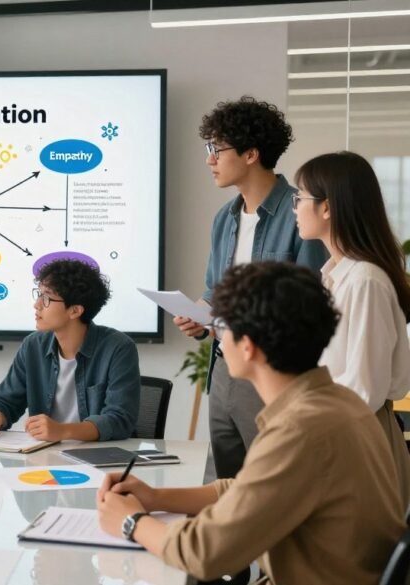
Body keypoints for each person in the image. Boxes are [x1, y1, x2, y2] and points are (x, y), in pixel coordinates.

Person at [97, 262, 403, 584]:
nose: (216, 336)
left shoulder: (300, 431)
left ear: (247, 346)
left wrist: (130, 521)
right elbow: (249, 490)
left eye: (220, 326)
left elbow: (204, 553)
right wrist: (156, 498)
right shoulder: (337, 402)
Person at [174, 97, 328, 480]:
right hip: (224, 367)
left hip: (273, 374)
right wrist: (200, 313)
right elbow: (215, 289)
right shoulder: (224, 218)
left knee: (273, 484)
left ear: (251, 154)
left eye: (217, 149)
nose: (209, 159)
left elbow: (311, 305)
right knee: (226, 484)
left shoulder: (299, 215)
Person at [293, 151, 410, 507]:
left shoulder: (364, 282)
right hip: (340, 432)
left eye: (300, 199)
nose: (295, 208)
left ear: (327, 208)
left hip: (357, 437)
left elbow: (364, 390)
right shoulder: (336, 276)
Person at [0, 259, 140, 441]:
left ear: (75, 311)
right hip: (43, 456)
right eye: (38, 294)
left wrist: (62, 431)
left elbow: (119, 420)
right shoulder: (32, 346)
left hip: (98, 459)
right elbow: (6, 402)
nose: (36, 305)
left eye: (46, 298)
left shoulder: (118, 348)